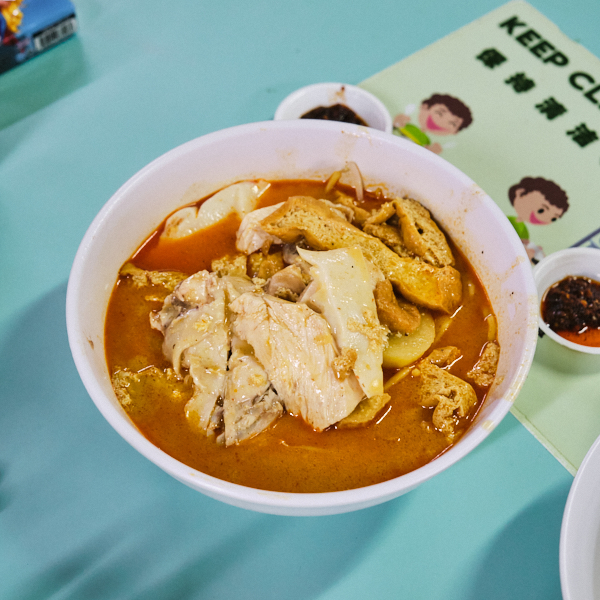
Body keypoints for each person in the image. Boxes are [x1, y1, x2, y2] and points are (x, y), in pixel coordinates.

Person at [507, 176, 569, 262]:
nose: (542, 219)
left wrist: (531, 253)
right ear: (520, 193)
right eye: (541, 210)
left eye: (553, 218)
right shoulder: (508, 221)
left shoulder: (524, 230)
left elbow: (524, 243)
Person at [393, 93, 473, 154]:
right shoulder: (407, 126)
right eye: (439, 113)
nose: (441, 123)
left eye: (452, 123)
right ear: (425, 106)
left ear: (455, 131)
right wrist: (396, 123)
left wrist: (431, 152)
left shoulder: (426, 140)